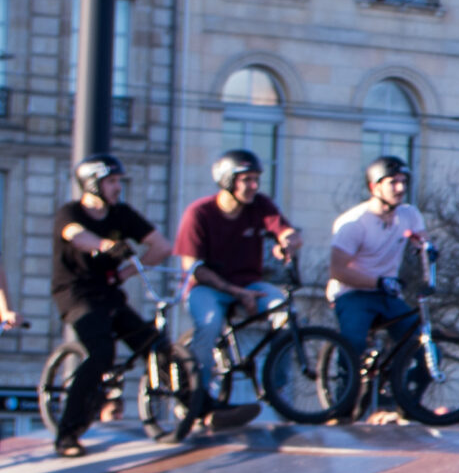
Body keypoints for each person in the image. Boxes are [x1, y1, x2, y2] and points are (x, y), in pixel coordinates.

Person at [49, 155, 172, 457]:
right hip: (76, 293)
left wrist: (128, 272)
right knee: (102, 352)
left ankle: (199, 407)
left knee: (155, 344)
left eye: (118, 181)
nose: (118, 187)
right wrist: (105, 245)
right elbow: (76, 236)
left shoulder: (121, 214)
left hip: (108, 292)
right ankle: (67, 434)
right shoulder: (71, 212)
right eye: (112, 181)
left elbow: (162, 246)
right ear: (93, 183)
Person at [175, 149, 301, 400]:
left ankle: (276, 385)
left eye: (256, 179)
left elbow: (290, 233)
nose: (254, 186)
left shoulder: (260, 205)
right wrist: (237, 293)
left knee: (286, 314)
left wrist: (286, 243)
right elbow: (192, 268)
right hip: (206, 287)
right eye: (247, 180)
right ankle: (196, 390)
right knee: (209, 325)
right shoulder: (199, 213)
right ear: (226, 180)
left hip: (250, 283)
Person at [325, 156, 427, 365]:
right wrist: (378, 282)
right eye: (393, 182)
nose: (400, 188)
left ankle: (403, 390)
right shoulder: (354, 223)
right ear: (374, 186)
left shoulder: (409, 215)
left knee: (422, 348)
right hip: (352, 294)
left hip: (387, 294)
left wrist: (427, 263)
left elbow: (426, 246)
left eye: (403, 182)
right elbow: (337, 270)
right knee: (353, 344)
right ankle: (345, 390)